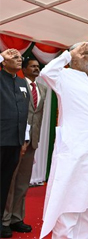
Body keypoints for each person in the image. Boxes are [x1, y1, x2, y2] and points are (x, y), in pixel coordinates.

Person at [39, 43, 88, 238]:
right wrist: (69, 55)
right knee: (69, 204)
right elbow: (46, 72)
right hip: (74, 151)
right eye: (86, 53)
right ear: (73, 58)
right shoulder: (63, 75)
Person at [2, 58, 44, 236]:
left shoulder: (42, 88)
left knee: (22, 183)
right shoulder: (15, 84)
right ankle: (4, 219)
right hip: (16, 140)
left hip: (32, 141)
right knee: (9, 181)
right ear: (24, 69)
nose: (36, 68)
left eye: (38, 66)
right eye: (33, 66)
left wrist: (30, 140)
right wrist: (23, 140)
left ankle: (16, 218)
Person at [0, 50, 29, 239]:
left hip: (15, 141)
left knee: (4, 184)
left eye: (20, 57)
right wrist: (2, 55)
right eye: (14, 57)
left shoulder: (21, 82)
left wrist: (24, 139)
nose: (19, 59)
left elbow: (26, 111)